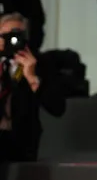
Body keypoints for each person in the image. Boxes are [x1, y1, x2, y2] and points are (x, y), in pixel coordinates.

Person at [0, 13, 66, 163]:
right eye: (4, 36)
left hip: (21, 142)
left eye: (16, 35)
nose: (11, 41)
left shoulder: (40, 63)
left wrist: (33, 79)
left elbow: (58, 107)